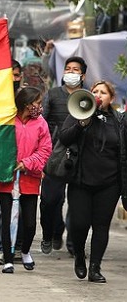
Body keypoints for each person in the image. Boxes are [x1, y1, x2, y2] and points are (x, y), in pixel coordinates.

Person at [59, 80, 127, 283]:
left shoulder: (118, 121)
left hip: (109, 183)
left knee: (101, 226)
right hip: (81, 182)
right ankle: (79, 255)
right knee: (79, 224)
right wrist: (82, 123)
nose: (99, 95)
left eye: (103, 92)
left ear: (111, 98)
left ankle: (95, 267)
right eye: (95, 91)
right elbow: (64, 138)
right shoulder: (79, 114)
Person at [0, 86, 51, 274]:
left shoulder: (41, 123)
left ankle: (25, 251)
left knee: (29, 223)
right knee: (8, 221)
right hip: (6, 179)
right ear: (27, 104)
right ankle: (8, 260)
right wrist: (8, 163)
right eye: (37, 103)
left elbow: (45, 150)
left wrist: (27, 163)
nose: (39, 107)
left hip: (30, 180)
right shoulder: (8, 120)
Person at [40, 56, 87, 255]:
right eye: (68, 69)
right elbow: (41, 121)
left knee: (78, 205)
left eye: (75, 69)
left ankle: (74, 245)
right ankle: (53, 231)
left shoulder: (87, 97)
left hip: (81, 157)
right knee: (50, 200)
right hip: (54, 155)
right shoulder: (52, 95)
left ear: (82, 75)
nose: (71, 72)